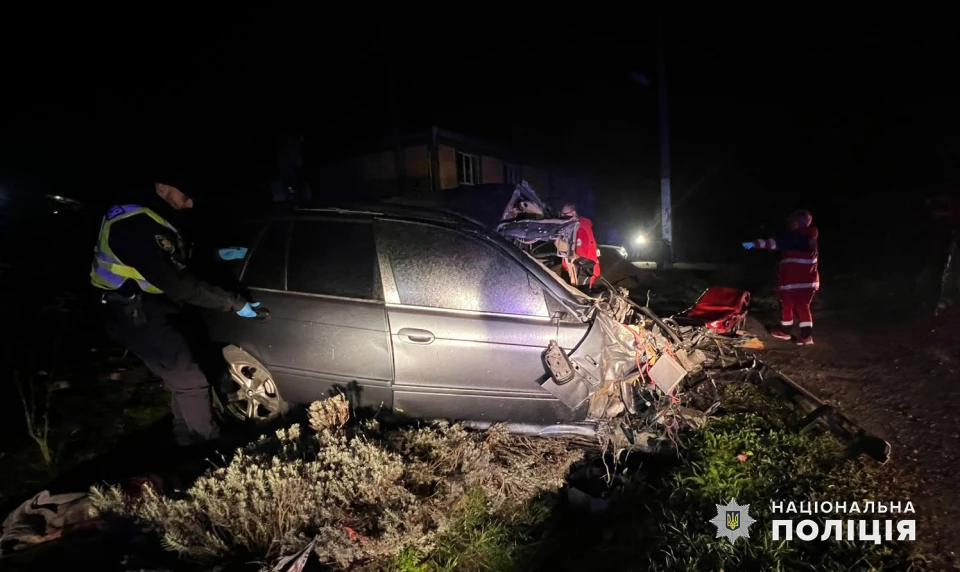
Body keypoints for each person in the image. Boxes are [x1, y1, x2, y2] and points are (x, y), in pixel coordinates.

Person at [90, 175, 262, 446]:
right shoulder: (131, 224)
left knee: (184, 378)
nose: (190, 204)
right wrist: (233, 303)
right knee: (190, 379)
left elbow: (179, 255)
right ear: (163, 188)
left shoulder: (155, 214)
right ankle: (209, 448)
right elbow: (175, 281)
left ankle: (186, 441)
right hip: (131, 311)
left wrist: (217, 254)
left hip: (155, 306)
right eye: (186, 196)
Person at [743, 210, 819, 345]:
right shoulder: (810, 239)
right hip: (809, 282)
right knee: (803, 307)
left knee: (787, 305)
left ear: (798, 222)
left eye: (793, 221)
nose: (790, 223)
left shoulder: (792, 237)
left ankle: (785, 332)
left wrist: (754, 244)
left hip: (791, 281)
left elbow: (772, 243)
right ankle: (806, 337)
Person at [559, 203, 601, 288]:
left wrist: (568, 268)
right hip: (584, 271)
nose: (562, 216)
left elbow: (580, 256)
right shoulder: (578, 226)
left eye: (564, 214)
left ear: (573, 213)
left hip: (583, 274)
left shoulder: (580, 228)